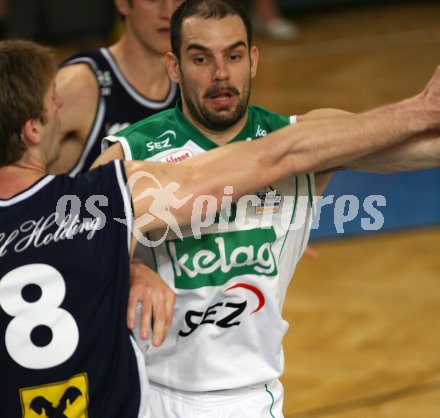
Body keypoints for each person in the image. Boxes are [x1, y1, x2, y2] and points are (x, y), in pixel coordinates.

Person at [93, 1, 440, 417]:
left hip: (252, 398)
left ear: (253, 61)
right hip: (150, 393)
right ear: (174, 66)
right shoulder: (132, 153)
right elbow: (69, 247)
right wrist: (132, 269)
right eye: (201, 58)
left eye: (234, 56)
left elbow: (420, 149)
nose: (220, 74)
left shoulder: (302, 141)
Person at [49, 0, 184, 176]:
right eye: (153, 0)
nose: (169, 12)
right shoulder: (77, 83)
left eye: (179, 0)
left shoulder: (193, 84)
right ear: (123, 4)